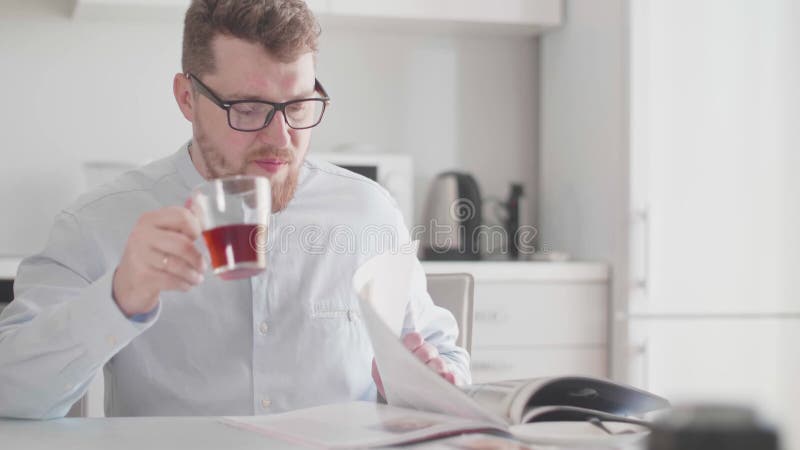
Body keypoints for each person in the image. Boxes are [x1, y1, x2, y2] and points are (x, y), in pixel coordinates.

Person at [0, 0, 469, 419]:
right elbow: (11, 392)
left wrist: (426, 382)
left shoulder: (368, 213)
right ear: (188, 98)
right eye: (248, 108)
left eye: (299, 105)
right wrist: (118, 298)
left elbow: (444, 357)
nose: (281, 139)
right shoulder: (98, 223)